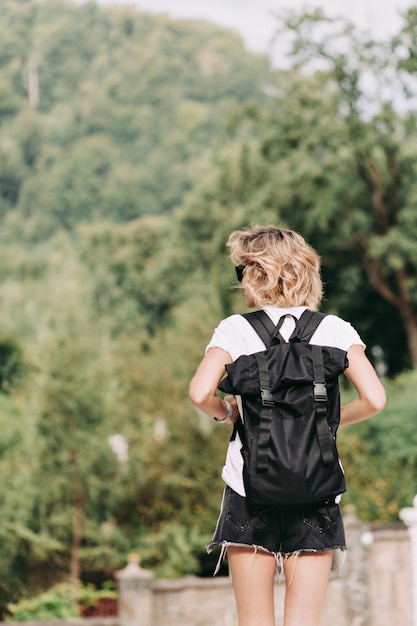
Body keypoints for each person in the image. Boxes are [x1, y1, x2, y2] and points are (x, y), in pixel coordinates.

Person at [189, 225, 386, 626]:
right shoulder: (334, 329)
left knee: (254, 619)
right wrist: (330, 422)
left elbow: (198, 392)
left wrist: (227, 412)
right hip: (318, 488)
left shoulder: (235, 329)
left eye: (242, 270)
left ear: (257, 273)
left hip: (248, 489)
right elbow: (375, 400)